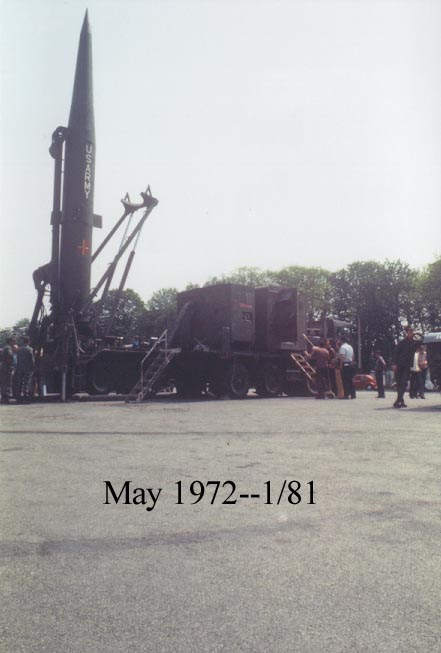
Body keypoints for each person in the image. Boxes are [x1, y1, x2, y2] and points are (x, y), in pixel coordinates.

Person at [392, 325, 419, 408]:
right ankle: (401, 401)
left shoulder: (415, 342)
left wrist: (418, 334)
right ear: (407, 332)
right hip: (399, 364)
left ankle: (398, 401)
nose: (412, 333)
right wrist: (394, 364)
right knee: (399, 383)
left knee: (404, 383)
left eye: (412, 331)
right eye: (410, 331)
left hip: (407, 365)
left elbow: (423, 340)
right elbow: (396, 353)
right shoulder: (402, 342)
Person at [14, 336, 35, 403]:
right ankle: (25, 397)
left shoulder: (18, 349)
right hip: (28, 369)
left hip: (19, 368)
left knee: (19, 382)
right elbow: (32, 360)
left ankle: (18, 398)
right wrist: (33, 367)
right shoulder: (30, 349)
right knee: (26, 383)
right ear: (29, 341)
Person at [1, 337, 16, 403]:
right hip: (7, 368)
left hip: (5, 367)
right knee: (8, 382)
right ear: (10, 341)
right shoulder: (8, 348)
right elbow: (10, 357)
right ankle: (6, 397)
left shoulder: (5, 348)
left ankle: (4, 397)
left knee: (4, 383)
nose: (14, 342)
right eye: (13, 341)